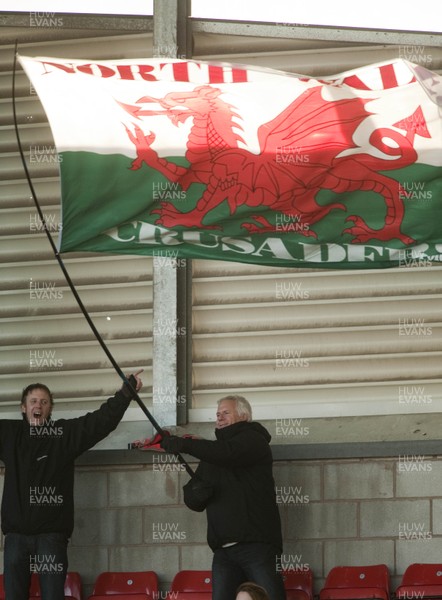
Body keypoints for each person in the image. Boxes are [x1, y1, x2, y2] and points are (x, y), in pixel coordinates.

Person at [0, 370, 143, 600]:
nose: (39, 405)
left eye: (44, 402)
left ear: (50, 409)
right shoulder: (8, 434)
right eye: (33, 401)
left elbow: (99, 422)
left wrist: (125, 394)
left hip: (51, 537)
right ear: (23, 408)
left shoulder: (63, 435)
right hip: (16, 537)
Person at [160, 394, 286, 600]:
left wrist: (185, 444)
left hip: (256, 546)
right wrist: (196, 494)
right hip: (223, 552)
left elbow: (228, 452)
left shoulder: (253, 440)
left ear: (243, 415)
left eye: (226, 413)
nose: (219, 417)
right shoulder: (212, 454)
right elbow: (193, 500)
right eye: (217, 414)